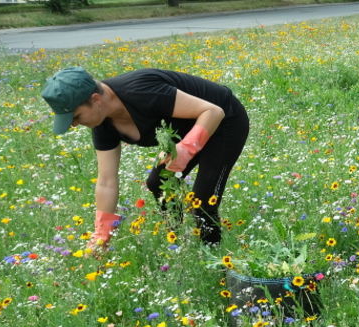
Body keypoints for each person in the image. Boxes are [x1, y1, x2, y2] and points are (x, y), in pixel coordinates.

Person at [41, 67, 249, 247]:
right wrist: (102, 233)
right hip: (188, 131)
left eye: (76, 117)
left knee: (202, 201)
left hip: (224, 122)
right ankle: (178, 242)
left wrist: (186, 150)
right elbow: (106, 181)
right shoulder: (103, 123)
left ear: (96, 100)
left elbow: (213, 111)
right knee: (157, 183)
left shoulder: (140, 91)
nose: (74, 125)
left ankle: (213, 255)